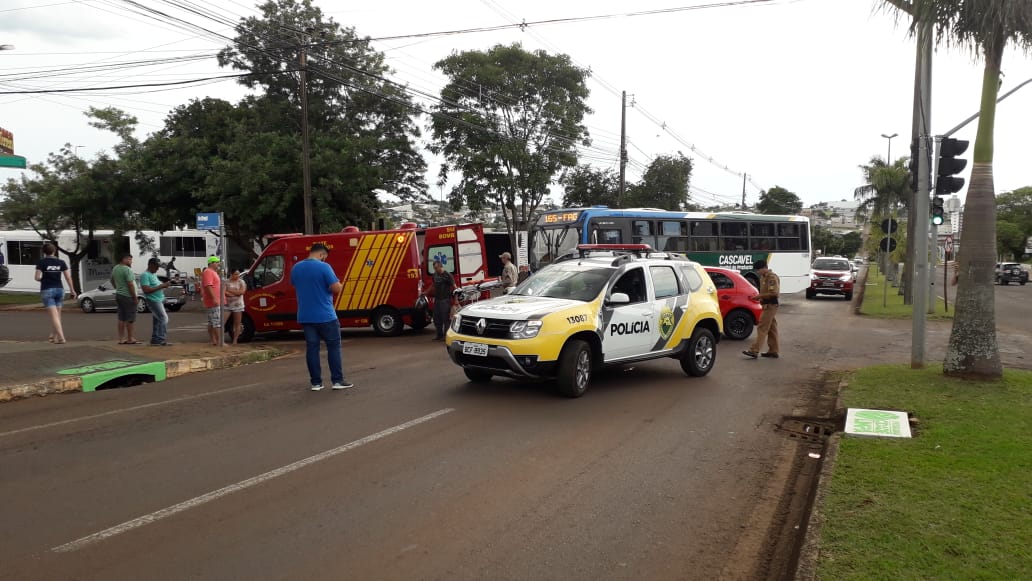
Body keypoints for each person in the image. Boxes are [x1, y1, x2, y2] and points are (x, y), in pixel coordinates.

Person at [290, 243, 351, 391]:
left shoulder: (296, 268)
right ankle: (337, 380)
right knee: (333, 347)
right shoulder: (324, 267)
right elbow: (336, 288)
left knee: (312, 349)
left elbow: (296, 285)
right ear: (322, 254)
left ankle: (316, 383)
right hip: (326, 316)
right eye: (324, 257)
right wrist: (340, 285)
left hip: (305, 316)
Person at [35, 242, 75, 344]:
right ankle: (53, 336)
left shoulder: (42, 262)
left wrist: (43, 279)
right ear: (54, 251)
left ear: (44, 252)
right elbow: (67, 277)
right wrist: (72, 290)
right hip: (60, 290)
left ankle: (61, 338)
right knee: (58, 315)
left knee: (54, 316)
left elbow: (37, 277)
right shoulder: (61, 262)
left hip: (47, 290)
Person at [743, 259, 780, 359]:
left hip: (770, 305)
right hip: (766, 305)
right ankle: (773, 351)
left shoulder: (771, 278)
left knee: (762, 328)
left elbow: (774, 293)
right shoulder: (763, 277)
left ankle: (754, 350)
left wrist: (759, 296)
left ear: (764, 268)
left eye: (759, 270)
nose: (757, 272)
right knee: (772, 329)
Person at [140, 257, 173, 346]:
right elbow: (146, 290)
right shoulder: (145, 275)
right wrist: (162, 286)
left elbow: (156, 286)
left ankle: (155, 339)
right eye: (156, 266)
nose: (158, 269)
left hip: (158, 299)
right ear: (150, 265)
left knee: (158, 319)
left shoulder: (153, 274)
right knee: (163, 318)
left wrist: (163, 286)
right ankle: (160, 338)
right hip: (153, 300)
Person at [110, 253, 140, 344]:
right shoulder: (127, 270)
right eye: (130, 259)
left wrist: (117, 288)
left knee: (121, 318)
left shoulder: (115, 268)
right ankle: (130, 338)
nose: (131, 261)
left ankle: (121, 339)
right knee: (130, 318)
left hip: (119, 295)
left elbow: (112, 280)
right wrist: (134, 297)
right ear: (124, 259)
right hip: (128, 296)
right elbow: (130, 284)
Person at [425, 260, 455, 341]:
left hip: (445, 300)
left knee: (445, 319)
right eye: (434, 268)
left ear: (441, 266)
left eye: (436, 268)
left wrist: (456, 300)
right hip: (437, 300)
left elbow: (454, 286)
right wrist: (426, 292)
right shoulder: (435, 275)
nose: (435, 270)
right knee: (436, 318)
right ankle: (439, 335)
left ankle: (446, 336)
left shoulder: (447, 275)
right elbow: (433, 285)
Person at [202, 256, 223, 346]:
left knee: (212, 321)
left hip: (214, 300)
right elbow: (208, 286)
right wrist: (214, 298)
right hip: (213, 301)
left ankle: (214, 340)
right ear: (211, 263)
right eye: (217, 262)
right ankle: (219, 341)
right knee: (216, 321)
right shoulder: (208, 272)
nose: (218, 264)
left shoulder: (213, 272)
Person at [224, 267, 247, 345]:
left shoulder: (241, 282)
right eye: (235, 274)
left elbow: (242, 292)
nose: (237, 276)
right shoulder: (226, 282)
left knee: (237, 323)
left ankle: (235, 340)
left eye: (238, 274)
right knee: (222, 321)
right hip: (227, 304)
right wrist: (235, 293)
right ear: (231, 274)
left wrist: (230, 291)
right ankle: (220, 340)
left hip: (238, 305)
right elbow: (224, 292)